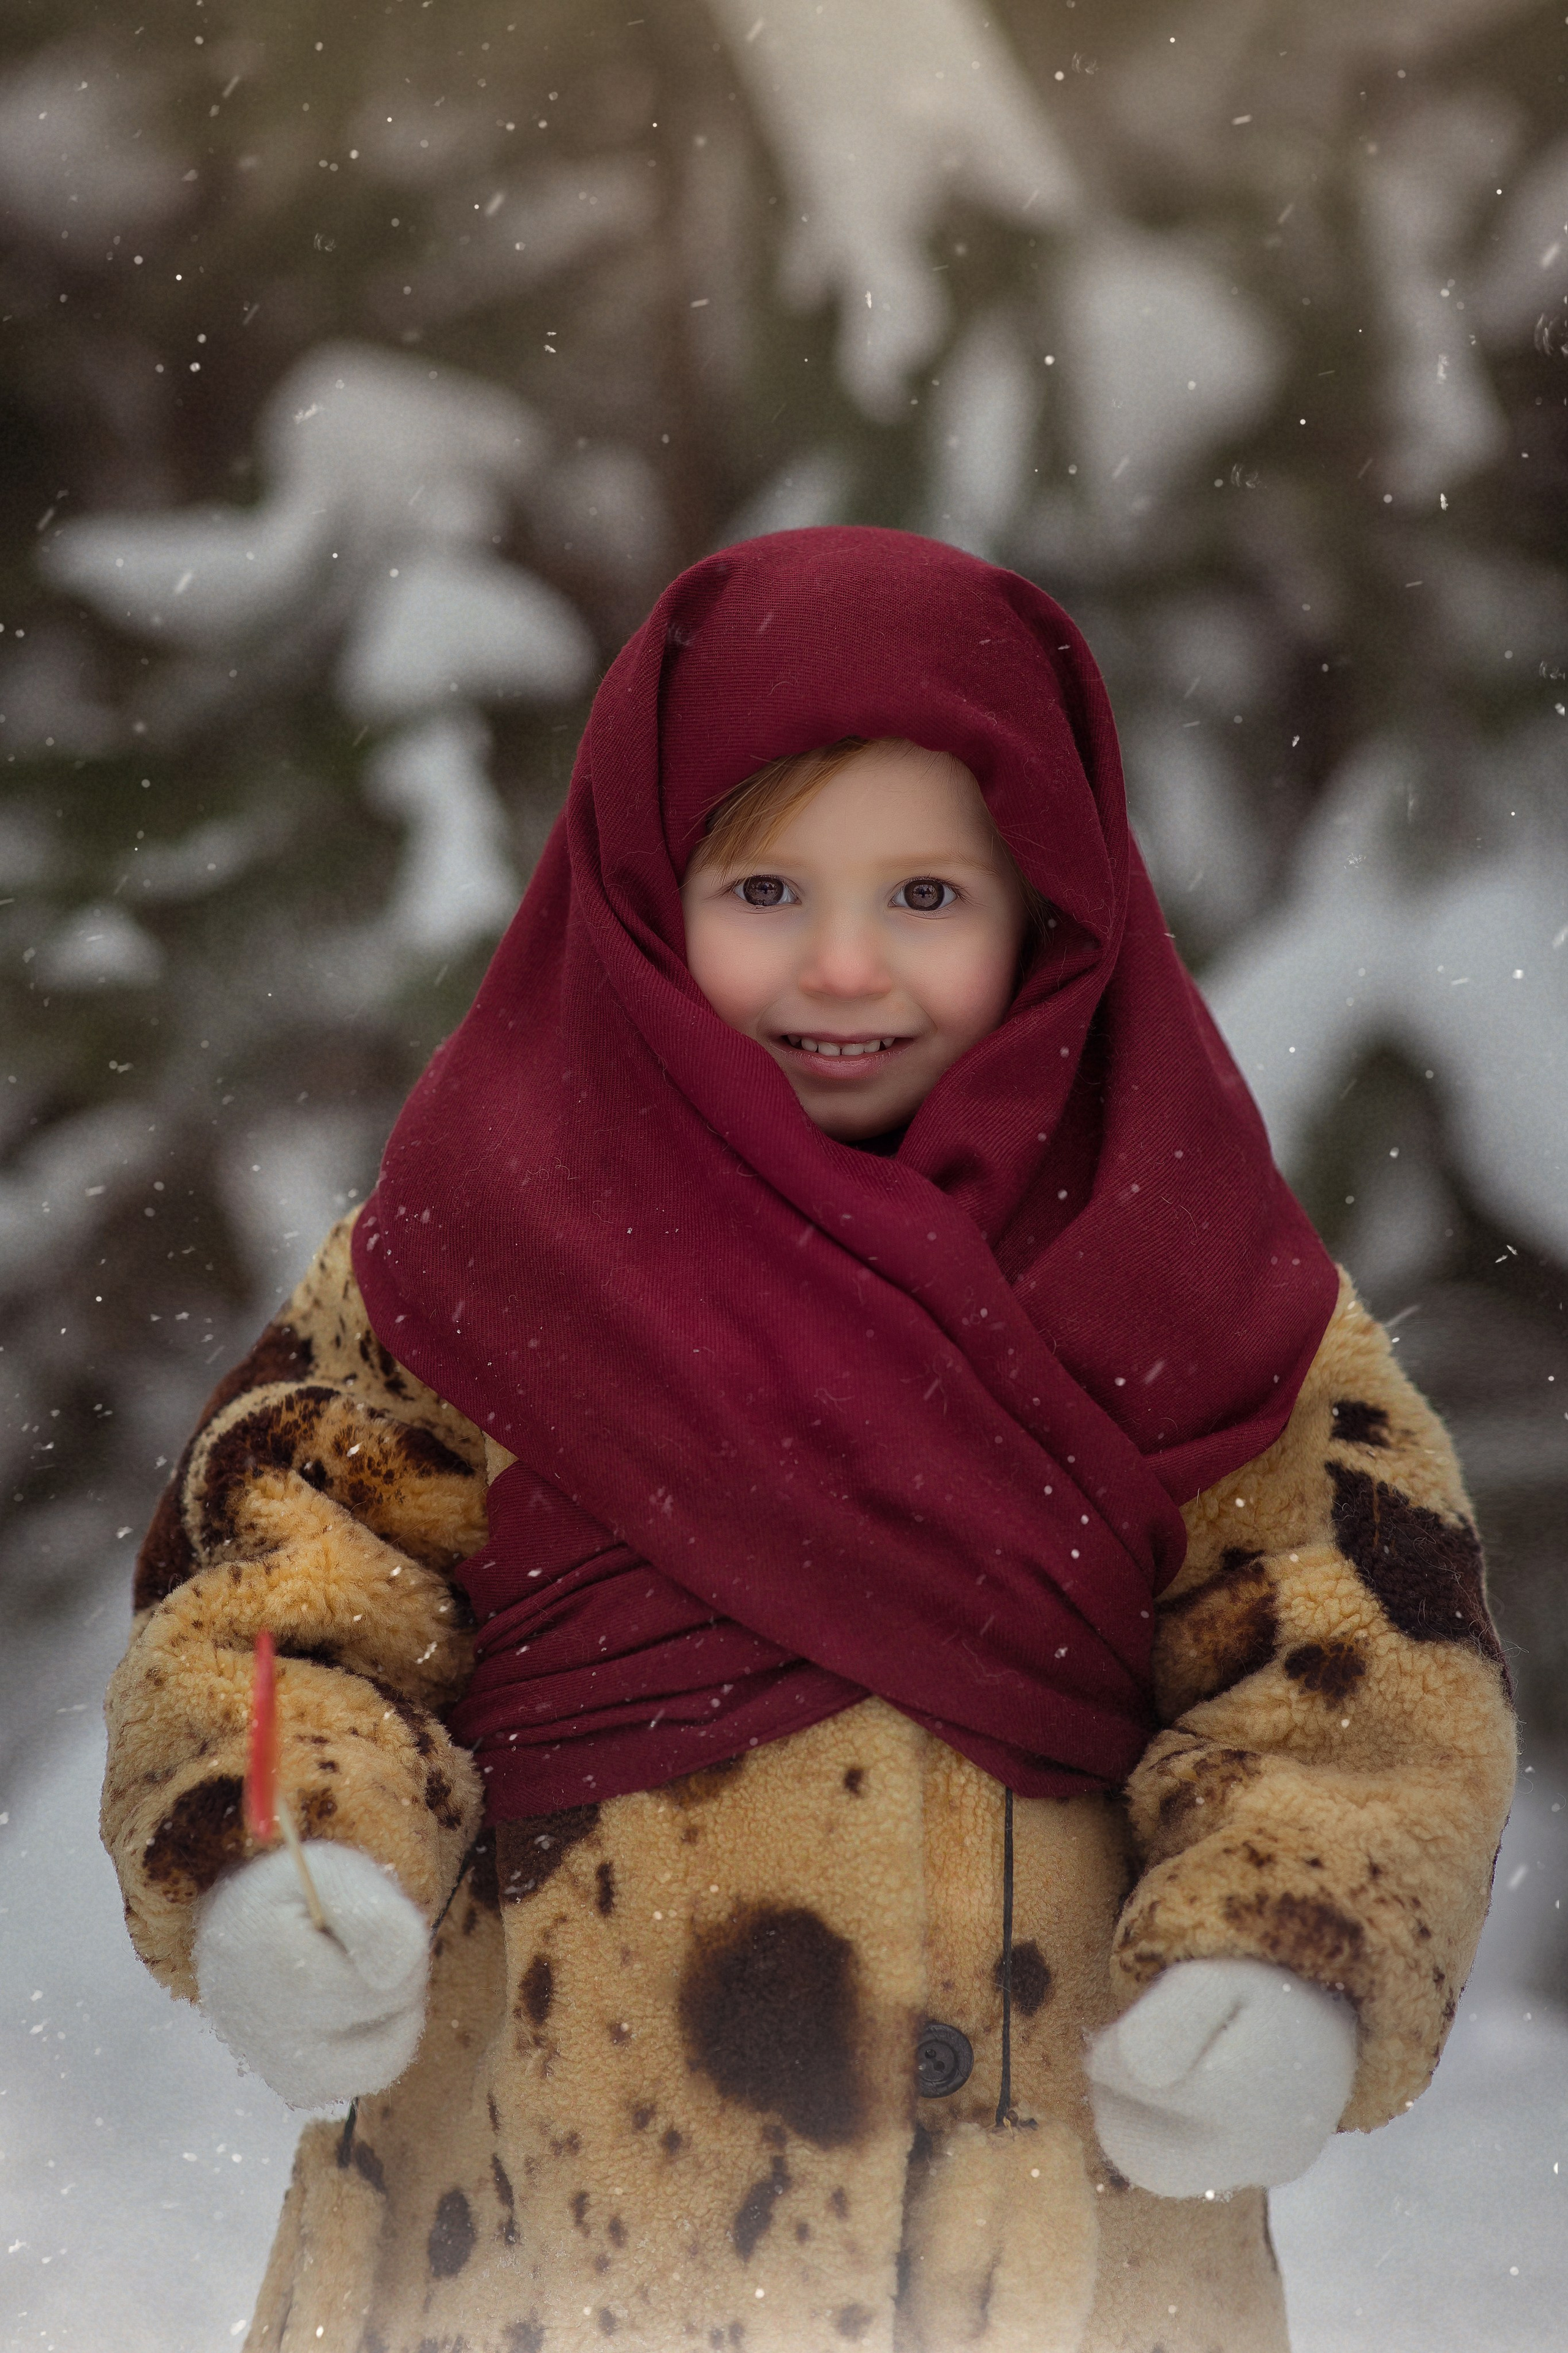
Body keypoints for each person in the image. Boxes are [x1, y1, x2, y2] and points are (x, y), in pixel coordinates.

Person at [100, 527, 1515, 2353]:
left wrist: (1295, 1928)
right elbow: (279, 1584)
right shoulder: (476, 1247)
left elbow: (1367, 1655)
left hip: (1049, 2229)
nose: (844, 964)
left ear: (1052, 907)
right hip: (527, 2220)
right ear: (640, 888)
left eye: (927, 896)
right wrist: (289, 1846)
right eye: (765, 889)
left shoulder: (1193, 1272)